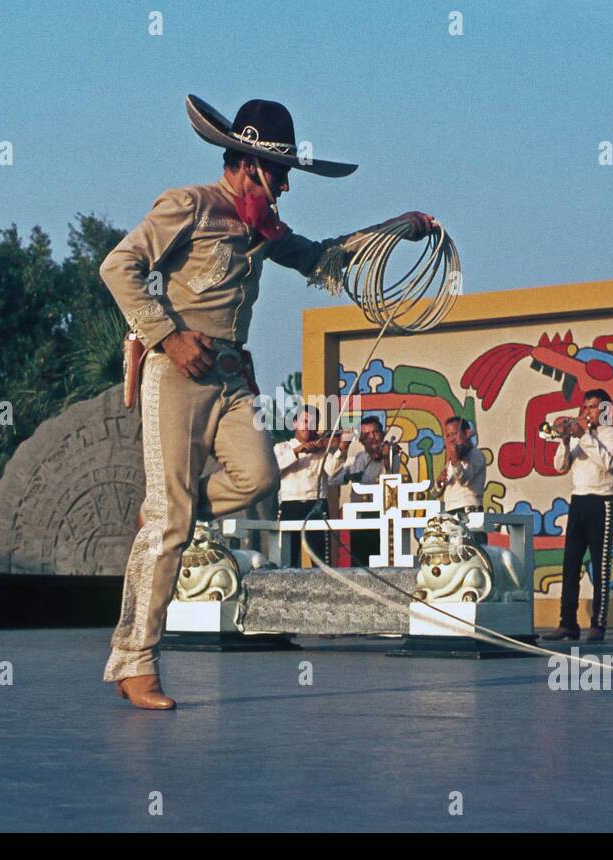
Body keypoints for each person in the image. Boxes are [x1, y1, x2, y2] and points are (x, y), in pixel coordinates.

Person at [98, 93, 435, 709]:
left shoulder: (263, 228)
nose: (284, 187)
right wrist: (166, 337)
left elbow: (319, 256)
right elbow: (117, 266)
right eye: (278, 175)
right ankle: (134, 659)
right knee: (175, 523)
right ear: (248, 165)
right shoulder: (189, 206)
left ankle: (165, 511)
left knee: (256, 477)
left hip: (230, 380)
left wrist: (396, 230)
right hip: (176, 373)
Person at [544, 388, 613, 643]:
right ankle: (567, 623)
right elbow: (560, 466)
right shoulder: (580, 437)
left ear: (605, 410)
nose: (587, 412)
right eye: (586, 407)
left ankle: (598, 624)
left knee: (601, 566)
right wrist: (566, 439)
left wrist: (585, 437)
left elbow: (609, 463)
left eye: (593, 407)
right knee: (570, 563)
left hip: (602, 500)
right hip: (578, 500)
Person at [274, 408, 347, 566]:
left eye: (313, 423)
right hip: (290, 504)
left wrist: (341, 449)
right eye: (305, 421)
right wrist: (297, 451)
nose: (308, 426)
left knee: (320, 559)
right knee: (288, 557)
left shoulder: (322, 448)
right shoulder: (282, 448)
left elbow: (333, 472)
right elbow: (274, 468)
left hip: (316, 503)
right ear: (294, 424)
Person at [327, 415, 403, 566]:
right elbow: (332, 478)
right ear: (361, 441)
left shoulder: (391, 455)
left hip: (384, 514)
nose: (372, 438)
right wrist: (348, 473)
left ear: (382, 434)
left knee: (386, 562)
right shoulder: (358, 459)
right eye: (366, 435)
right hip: (361, 518)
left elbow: (390, 476)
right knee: (361, 563)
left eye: (375, 433)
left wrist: (387, 455)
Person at [434, 416, 486, 515]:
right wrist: (439, 482)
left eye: (454, 434)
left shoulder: (476, 455)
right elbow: (435, 493)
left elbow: (464, 479)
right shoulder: (453, 459)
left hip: (469, 510)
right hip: (450, 511)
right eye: (448, 435)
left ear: (466, 433)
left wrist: (455, 459)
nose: (451, 440)